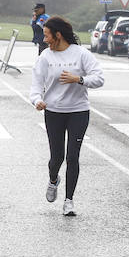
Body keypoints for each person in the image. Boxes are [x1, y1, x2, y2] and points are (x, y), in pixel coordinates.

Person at [30, 16, 104, 216]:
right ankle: (53, 179)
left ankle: (69, 200)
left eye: (47, 35)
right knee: (57, 158)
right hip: (54, 112)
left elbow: (99, 79)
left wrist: (79, 79)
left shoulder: (80, 54)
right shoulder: (45, 57)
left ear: (58, 35)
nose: (45, 40)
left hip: (78, 111)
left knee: (73, 156)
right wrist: (37, 101)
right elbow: (36, 86)